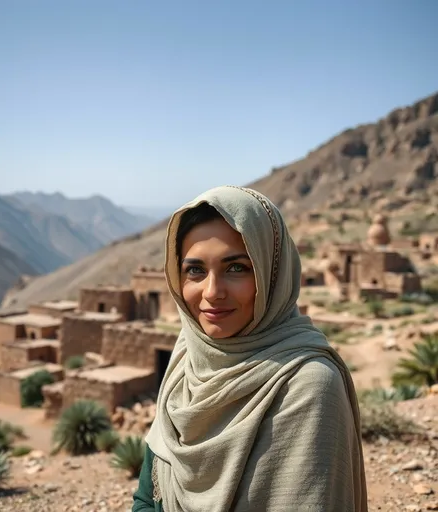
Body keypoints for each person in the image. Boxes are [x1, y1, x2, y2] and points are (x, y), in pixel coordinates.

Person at [132, 185, 367, 512]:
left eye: (237, 268)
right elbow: (146, 499)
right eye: (196, 270)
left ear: (271, 275)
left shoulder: (308, 388)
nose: (212, 293)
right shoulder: (187, 355)